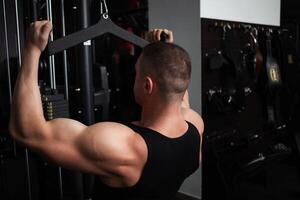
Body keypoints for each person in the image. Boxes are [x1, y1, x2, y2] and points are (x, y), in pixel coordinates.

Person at [9, 21, 204, 199]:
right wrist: (164, 50)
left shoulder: (126, 148)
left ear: (147, 86)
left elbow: (27, 132)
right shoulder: (195, 125)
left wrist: (32, 50)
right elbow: (176, 85)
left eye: (136, 73)